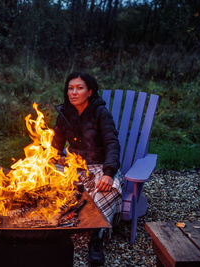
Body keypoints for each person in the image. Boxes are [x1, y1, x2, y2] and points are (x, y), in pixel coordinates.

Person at [52, 72, 122, 266]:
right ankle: (53, 230)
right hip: (75, 166)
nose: (74, 92)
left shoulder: (101, 113)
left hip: (100, 166)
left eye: (79, 88)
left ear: (89, 92)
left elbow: (112, 144)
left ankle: (96, 238)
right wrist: (54, 156)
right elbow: (55, 145)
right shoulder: (65, 114)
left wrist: (108, 173)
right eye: (70, 88)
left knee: (110, 188)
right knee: (47, 183)